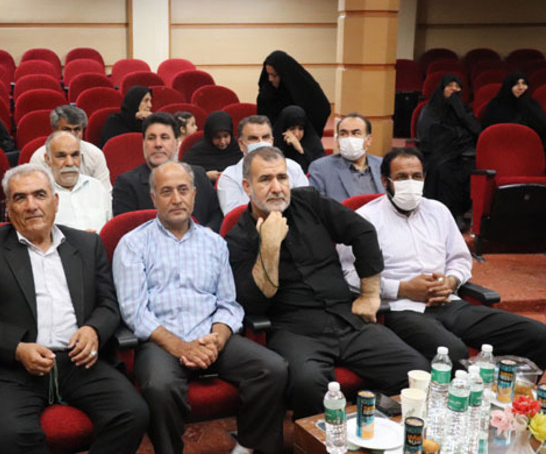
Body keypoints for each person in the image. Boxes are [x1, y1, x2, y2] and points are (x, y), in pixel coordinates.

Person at [225, 146, 429, 420]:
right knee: (308, 384)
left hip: (347, 319)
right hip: (294, 331)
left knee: (416, 371)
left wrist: (370, 295)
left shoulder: (309, 201)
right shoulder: (237, 237)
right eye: (265, 180)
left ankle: (373, 426)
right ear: (247, 187)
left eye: (282, 178)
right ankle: (317, 439)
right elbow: (253, 304)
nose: (277, 188)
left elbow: (363, 232)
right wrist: (269, 247)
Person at [0, 164, 148, 453]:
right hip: (19, 368)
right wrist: (18, 348)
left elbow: (108, 304)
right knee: (8, 436)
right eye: (20, 198)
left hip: (80, 362)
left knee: (132, 414)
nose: (31, 205)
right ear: (8, 207)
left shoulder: (87, 244)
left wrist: (94, 330)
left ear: (55, 201)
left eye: (40, 195)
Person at [113, 161, 287, 454]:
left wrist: (217, 339)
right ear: (153, 198)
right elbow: (135, 311)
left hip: (210, 336)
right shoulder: (133, 244)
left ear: (194, 194)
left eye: (183, 190)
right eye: (166, 192)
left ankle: (248, 447)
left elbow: (228, 304)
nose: (176, 199)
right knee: (159, 386)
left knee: (272, 368)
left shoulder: (214, 242)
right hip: (160, 341)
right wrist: (181, 347)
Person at [338, 147, 546, 369]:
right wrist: (401, 289)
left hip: (448, 302)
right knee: (452, 353)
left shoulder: (438, 211)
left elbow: (460, 259)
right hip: (399, 309)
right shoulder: (364, 220)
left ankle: (516, 390)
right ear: (385, 181)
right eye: (401, 177)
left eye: (416, 176)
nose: (410, 183)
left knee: (538, 335)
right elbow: (348, 275)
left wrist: (451, 281)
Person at [112, 112, 223, 231]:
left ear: (176, 144)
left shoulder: (198, 175)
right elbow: (126, 229)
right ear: (143, 144)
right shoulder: (126, 184)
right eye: (151, 138)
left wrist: (205, 234)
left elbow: (217, 214)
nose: (158, 144)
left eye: (164, 137)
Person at [417, 73, 481, 223]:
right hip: (437, 151)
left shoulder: (464, 109)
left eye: (457, 86)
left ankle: (461, 214)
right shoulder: (431, 109)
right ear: (442, 88)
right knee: (443, 169)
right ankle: (443, 215)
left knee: (469, 166)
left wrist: (460, 111)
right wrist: (460, 134)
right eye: (450, 86)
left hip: (463, 152)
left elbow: (476, 130)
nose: (454, 89)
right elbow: (431, 133)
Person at [217, 115, 308, 216]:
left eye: (265, 137)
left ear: (272, 141)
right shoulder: (230, 177)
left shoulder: (293, 167)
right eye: (253, 138)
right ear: (241, 144)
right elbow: (233, 217)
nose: (261, 143)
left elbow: (305, 207)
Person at [29, 105, 112, 192]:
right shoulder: (39, 158)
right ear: (54, 130)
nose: (72, 134)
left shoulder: (95, 154)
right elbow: (36, 194)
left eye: (77, 129)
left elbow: (105, 192)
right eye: (67, 129)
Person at [43, 131, 111, 232]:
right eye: (61, 156)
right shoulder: (39, 195)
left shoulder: (97, 187)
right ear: (48, 159)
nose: (70, 163)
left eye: (75, 155)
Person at [307, 113, 384, 203]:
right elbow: (315, 205)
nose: (349, 138)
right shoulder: (321, 168)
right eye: (343, 134)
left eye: (356, 133)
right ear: (337, 140)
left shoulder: (383, 165)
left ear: (368, 140)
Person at [256, 50, 331, 138]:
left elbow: (322, 108)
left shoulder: (302, 88)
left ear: (284, 75)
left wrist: (302, 131)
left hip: (302, 138)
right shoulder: (266, 91)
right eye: (268, 74)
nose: (270, 79)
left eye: (274, 75)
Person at [481, 72, 546, 149]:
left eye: (524, 83)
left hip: (529, 146)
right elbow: (491, 132)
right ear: (508, 86)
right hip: (502, 147)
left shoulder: (532, 104)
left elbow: (542, 127)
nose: (521, 87)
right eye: (516, 84)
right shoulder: (495, 105)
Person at [181, 110, 242, 182]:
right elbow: (183, 174)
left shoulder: (239, 149)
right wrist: (205, 175)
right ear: (210, 137)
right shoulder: (197, 154)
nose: (222, 142)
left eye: (226, 136)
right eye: (217, 137)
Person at [273, 104, 325, 171]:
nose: (296, 134)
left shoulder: (312, 142)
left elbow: (321, 169)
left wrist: (301, 150)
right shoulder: (275, 143)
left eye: (300, 129)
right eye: (292, 129)